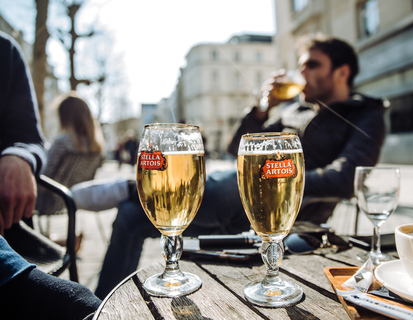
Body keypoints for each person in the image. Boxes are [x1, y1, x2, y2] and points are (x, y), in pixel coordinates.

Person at [94, 35, 387, 299]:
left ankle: (131, 189)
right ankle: (99, 306)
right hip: (242, 201)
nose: (303, 73)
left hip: (287, 215)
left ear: (342, 72)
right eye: (302, 66)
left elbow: (347, 177)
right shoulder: (292, 110)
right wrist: (262, 109)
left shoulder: (366, 115)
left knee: (225, 185)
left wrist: (280, 185)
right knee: (130, 217)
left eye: (313, 65)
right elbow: (238, 148)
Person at [0, 31, 101, 319]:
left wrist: (20, 155)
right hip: (64, 199)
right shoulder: (93, 146)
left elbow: (37, 154)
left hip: (35, 200)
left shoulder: (62, 143)